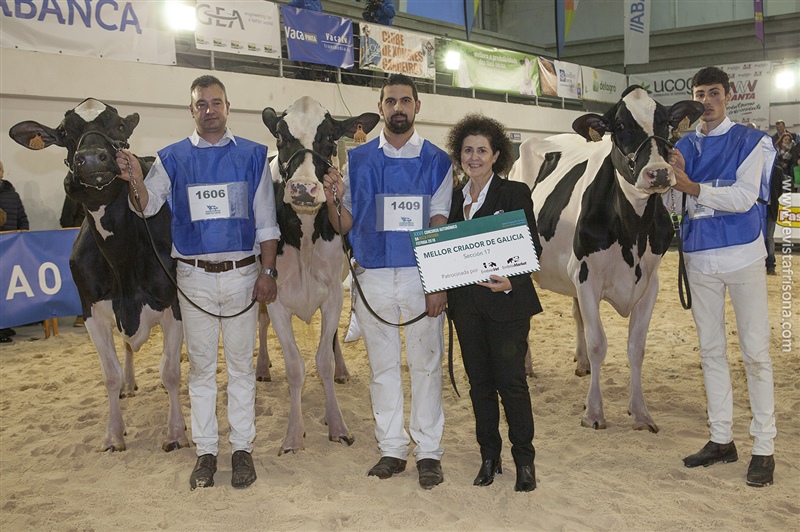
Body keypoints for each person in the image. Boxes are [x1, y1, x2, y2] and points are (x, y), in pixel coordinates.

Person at [115, 75, 280, 491]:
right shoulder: (171, 158)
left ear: (228, 107)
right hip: (193, 277)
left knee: (242, 368)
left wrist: (268, 271)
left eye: (216, 103)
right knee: (202, 370)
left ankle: (242, 448)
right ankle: (206, 451)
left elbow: (267, 223)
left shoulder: (254, 156)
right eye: (201, 104)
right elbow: (145, 207)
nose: (210, 110)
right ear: (192, 110)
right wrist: (136, 176)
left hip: (244, 275)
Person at [323, 73, 452, 490]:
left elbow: (439, 221)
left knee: (426, 364)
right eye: (390, 101)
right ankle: (393, 449)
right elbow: (344, 223)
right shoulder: (357, 162)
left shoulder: (437, 161)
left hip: (418, 275)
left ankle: (429, 451)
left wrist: (437, 282)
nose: (398, 108)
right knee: (381, 368)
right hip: (372, 275)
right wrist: (332, 199)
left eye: (405, 101)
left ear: (417, 107)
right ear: (380, 108)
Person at [668, 66, 777, 488]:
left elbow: (744, 197)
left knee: (755, 352)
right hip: (699, 258)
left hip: (743, 254)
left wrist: (691, 186)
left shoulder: (752, 141)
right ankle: (721, 439)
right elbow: (675, 207)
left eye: (715, 92)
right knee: (711, 351)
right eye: (700, 93)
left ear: (728, 97)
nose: (708, 100)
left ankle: (764, 446)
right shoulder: (682, 146)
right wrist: (671, 182)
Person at [444, 114, 542, 492]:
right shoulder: (454, 200)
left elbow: (532, 248)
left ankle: (525, 461)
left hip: (507, 305)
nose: (474, 157)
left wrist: (512, 280)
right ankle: (489, 456)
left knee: (511, 383)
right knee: (479, 384)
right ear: (460, 155)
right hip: (465, 308)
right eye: (467, 150)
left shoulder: (515, 193)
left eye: (481, 150)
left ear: (496, 154)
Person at [0, 160, 29, 343]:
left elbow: (22, 218)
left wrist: (23, 237)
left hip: (10, 251)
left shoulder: (12, 194)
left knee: (7, 288)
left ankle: (5, 324)